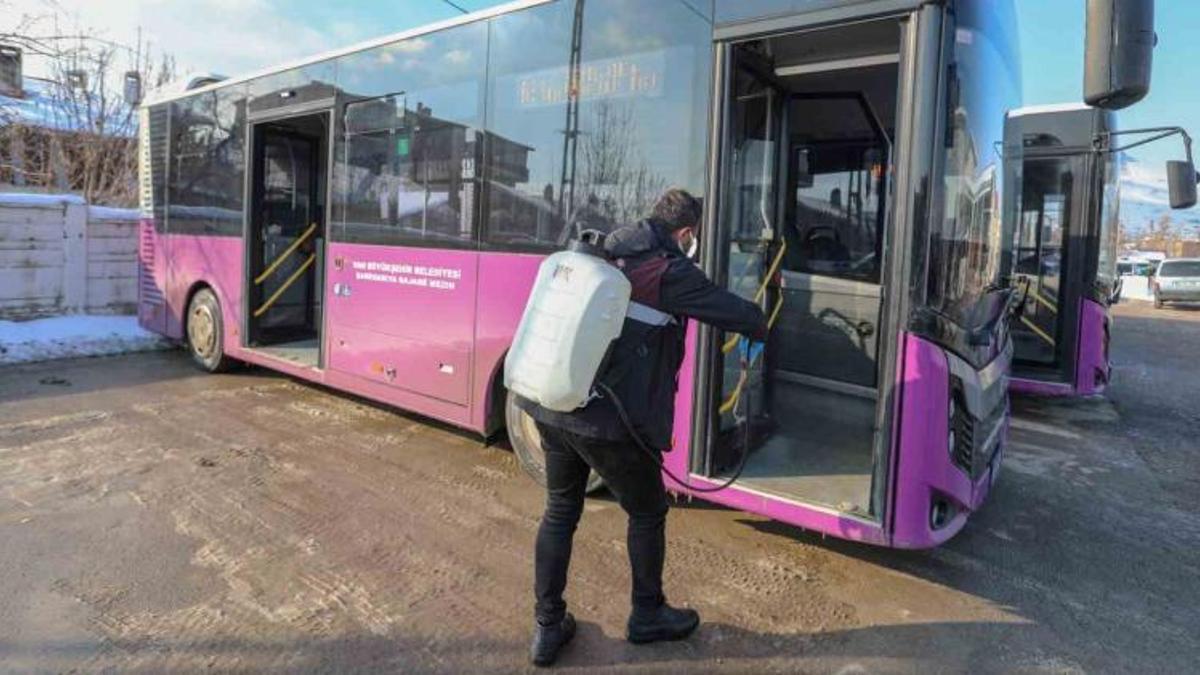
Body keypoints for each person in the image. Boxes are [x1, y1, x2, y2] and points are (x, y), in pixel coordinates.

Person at [516, 188, 768, 667]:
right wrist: (760, 328)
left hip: (553, 404)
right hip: (610, 421)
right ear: (687, 233)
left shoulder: (608, 250)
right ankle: (647, 614)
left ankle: (548, 627)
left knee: (560, 510)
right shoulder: (668, 270)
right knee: (648, 512)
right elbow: (738, 313)